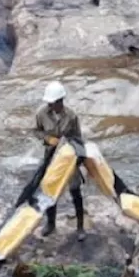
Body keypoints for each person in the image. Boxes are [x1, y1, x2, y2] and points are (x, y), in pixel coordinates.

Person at [33, 81, 85, 235]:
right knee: (50, 190)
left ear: (61, 101)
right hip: (51, 156)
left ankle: (80, 226)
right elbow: (36, 131)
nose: (50, 105)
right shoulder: (41, 114)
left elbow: (78, 138)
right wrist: (47, 139)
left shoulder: (71, 116)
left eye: (53, 102)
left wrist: (76, 155)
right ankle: (51, 224)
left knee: (75, 190)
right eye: (49, 102)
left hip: (69, 158)